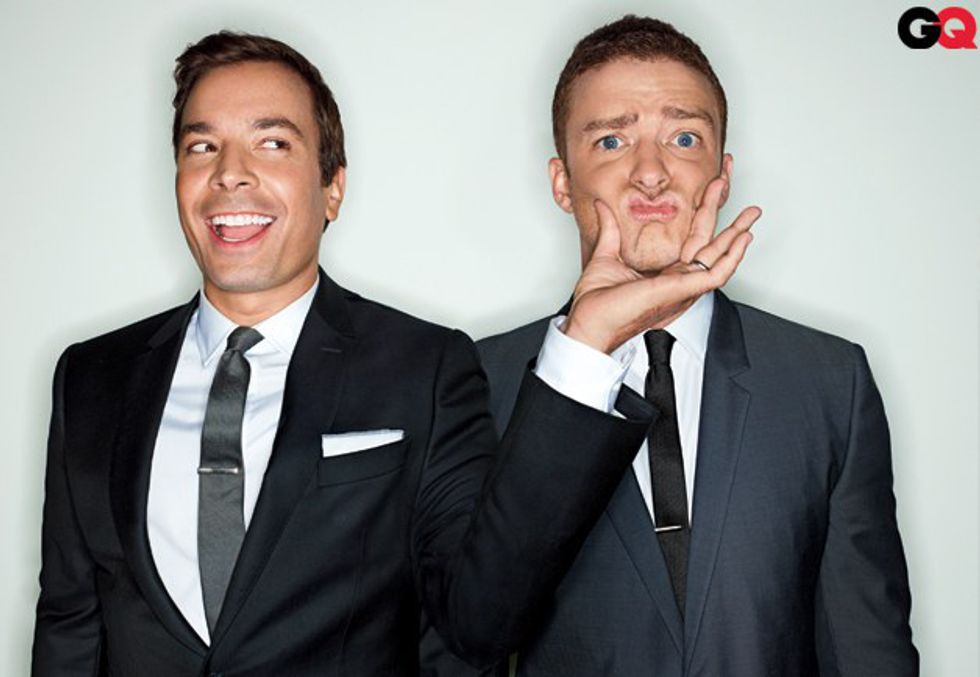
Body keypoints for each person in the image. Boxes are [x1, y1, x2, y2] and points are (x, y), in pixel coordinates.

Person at [31, 30, 751, 677]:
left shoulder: (426, 368)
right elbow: (69, 622)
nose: (231, 173)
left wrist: (588, 338)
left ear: (332, 188)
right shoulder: (90, 377)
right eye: (202, 147)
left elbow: (478, 625)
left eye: (273, 143)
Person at [455, 15, 917, 677]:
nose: (651, 173)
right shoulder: (471, 383)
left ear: (722, 172)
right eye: (612, 140)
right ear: (562, 182)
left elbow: (867, 648)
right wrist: (583, 351)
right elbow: (462, 641)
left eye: (683, 137)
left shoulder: (828, 381)